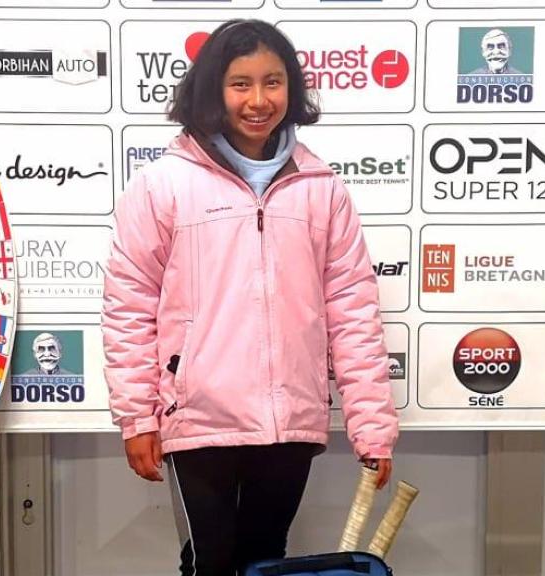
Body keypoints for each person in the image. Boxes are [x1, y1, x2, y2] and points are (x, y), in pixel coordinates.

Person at [101, 19, 398, 576]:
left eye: (273, 82)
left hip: (290, 421)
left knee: (266, 564)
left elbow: (352, 310)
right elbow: (129, 306)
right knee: (209, 563)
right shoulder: (164, 184)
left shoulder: (321, 188)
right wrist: (138, 418)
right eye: (241, 84)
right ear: (213, 87)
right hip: (199, 419)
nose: (258, 100)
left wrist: (372, 424)